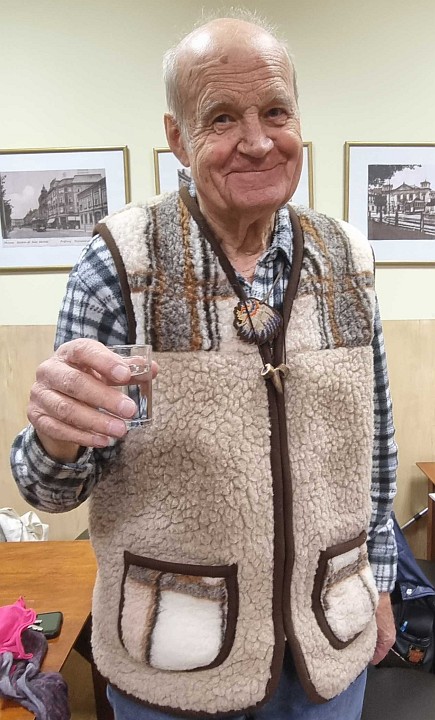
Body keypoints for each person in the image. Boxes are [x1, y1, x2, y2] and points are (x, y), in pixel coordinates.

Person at [10, 12, 398, 720]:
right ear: (177, 137)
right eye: (221, 117)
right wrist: (56, 437)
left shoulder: (347, 259)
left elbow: (375, 445)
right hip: (174, 657)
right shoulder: (120, 263)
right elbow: (51, 490)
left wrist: (380, 581)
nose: (257, 140)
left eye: (275, 111)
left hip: (326, 642)